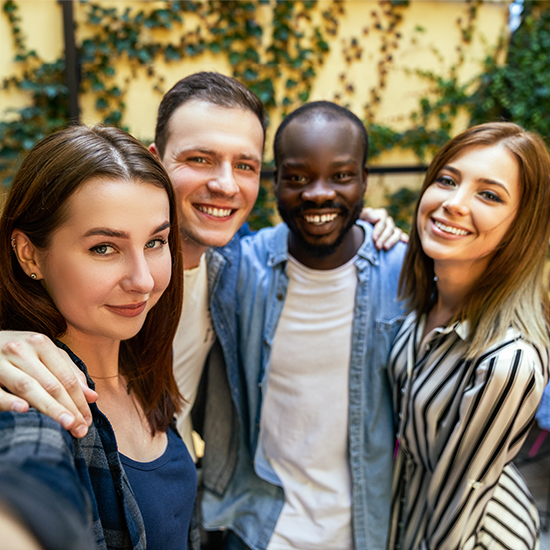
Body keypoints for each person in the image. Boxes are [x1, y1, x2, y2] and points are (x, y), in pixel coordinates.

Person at [0, 73, 404, 456]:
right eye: (200, 159)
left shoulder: (237, 265)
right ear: (156, 161)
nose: (226, 185)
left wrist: (360, 223)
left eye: (245, 165)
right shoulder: (53, 301)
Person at [198, 101, 406, 550]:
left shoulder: (403, 272)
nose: (317, 193)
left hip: (366, 530)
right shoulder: (238, 269)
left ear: (365, 180)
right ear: (275, 184)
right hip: (257, 528)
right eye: (296, 177)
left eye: (341, 176)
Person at [0, 125, 199, 550]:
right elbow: (25, 485)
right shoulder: (32, 396)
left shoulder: (140, 371)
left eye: (156, 242)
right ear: (29, 254)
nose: (142, 281)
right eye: (104, 248)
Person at [387, 122, 550, 549]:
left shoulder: (508, 361)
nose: (454, 204)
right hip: (410, 515)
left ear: (521, 226)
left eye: (489, 195)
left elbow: (461, 501)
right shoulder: (428, 302)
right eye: (447, 180)